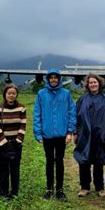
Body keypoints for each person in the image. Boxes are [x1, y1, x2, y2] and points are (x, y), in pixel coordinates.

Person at [33, 69, 76, 202]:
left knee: (60, 162)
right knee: (49, 161)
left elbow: (72, 113)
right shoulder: (41, 94)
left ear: (59, 79)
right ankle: (49, 189)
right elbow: (37, 114)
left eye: (55, 77)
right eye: (51, 78)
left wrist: (70, 131)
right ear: (48, 79)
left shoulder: (66, 94)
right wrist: (38, 132)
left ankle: (60, 190)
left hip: (61, 134)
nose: (53, 80)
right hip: (47, 134)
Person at [74, 74, 105, 197]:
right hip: (84, 135)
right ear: (87, 85)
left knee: (99, 162)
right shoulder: (82, 99)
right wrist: (76, 132)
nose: (93, 84)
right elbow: (76, 116)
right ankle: (84, 187)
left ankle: (100, 188)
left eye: (95, 82)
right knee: (83, 161)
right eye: (91, 82)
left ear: (99, 84)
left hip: (100, 135)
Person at [0, 83, 27, 199]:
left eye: (14, 93)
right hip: (2, 143)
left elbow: (23, 125)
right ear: (5, 94)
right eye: (9, 93)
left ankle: (14, 192)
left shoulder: (21, 108)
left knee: (14, 168)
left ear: (16, 94)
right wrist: (3, 142)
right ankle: (3, 193)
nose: (11, 95)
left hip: (16, 143)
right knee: (2, 168)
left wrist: (18, 140)